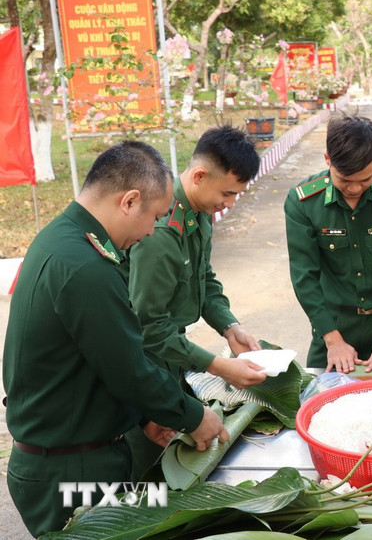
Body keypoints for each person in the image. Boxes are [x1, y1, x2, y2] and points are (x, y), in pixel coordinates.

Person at [2, 141, 228, 537]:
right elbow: (129, 369)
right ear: (129, 201)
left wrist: (146, 416)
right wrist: (195, 416)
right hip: (71, 477)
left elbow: (94, 356)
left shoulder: (64, 239)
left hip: (78, 456)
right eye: (154, 217)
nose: (148, 232)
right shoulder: (86, 267)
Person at [122, 125, 267, 481]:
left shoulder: (199, 210)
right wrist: (218, 365)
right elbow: (148, 327)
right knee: (147, 468)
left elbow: (204, 278)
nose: (231, 203)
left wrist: (230, 326)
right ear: (200, 175)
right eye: (228, 193)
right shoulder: (161, 231)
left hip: (171, 355)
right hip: (146, 362)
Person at [284, 113, 372, 374]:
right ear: (327, 160)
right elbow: (305, 277)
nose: (355, 189)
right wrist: (332, 339)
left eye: (365, 180)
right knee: (321, 399)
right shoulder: (302, 202)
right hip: (333, 324)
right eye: (345, 180)